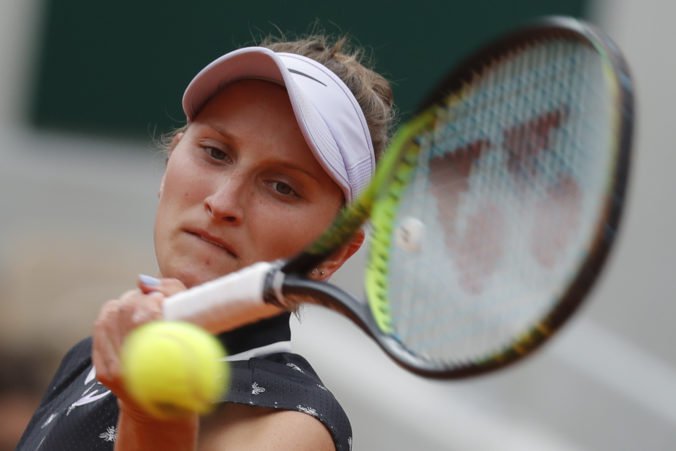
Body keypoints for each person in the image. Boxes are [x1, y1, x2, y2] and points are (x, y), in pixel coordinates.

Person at [16, 34, 394, 451]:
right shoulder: (87, 358)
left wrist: (152, 411)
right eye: (215, 153)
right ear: (170, 161)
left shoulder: (295, 430)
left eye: (283, 187)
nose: (223, 202)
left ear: (335, 252)